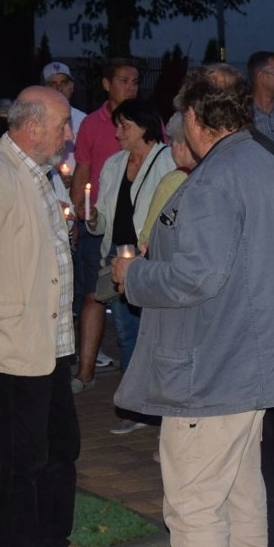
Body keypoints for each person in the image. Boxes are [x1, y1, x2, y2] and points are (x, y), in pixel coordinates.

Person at [110, 63, 274, 547]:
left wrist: (136, 273)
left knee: (194, 508)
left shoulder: (215, 178)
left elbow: (198, 278)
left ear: (193, 116)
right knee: (241, 499)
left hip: (211, 369)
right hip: (251, 362)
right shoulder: (268, 163)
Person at [0, 85, 107, 547]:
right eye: (63, 124)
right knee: (24, 457)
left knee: (61, 445)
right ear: (32, 127)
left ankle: (51, 540)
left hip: (51, 338)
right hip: (12, 343)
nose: (70, 134)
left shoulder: (40, 172)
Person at [86, 98, 175, 435]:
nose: (118, 132)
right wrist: (93, 218)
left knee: (152, 331)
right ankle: (135, 403)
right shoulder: (113, 164)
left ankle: (154, 403)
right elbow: (104, 219)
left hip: (148, 259)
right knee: (125, 331)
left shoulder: (167, 161)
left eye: (125, 125)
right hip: (116, 256)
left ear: (145, 127)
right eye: (117, 125)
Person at [71, 58, 139, 394]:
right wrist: (79, 211)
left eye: (135, 81)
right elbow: (82, 169)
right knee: (93, 294)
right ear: (107, 84)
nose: (131, 86)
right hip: (97, 222)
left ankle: (135, 377)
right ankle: (85, 370)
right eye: (124, 80)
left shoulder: (144, 120)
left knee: (130, 302)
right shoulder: (91, 125)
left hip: (131, 228)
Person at [138, 112, 197, 250]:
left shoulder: (174, 180)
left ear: (180, 145)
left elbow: (148, 234)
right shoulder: (207, 173)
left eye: (171, 144)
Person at [42, 62, 87, 172]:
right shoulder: (37, 120)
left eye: (64, 82)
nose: (59, 88)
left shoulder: (84, 120)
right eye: (53, 84)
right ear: (44, 88)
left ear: (71, 86)